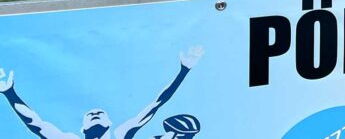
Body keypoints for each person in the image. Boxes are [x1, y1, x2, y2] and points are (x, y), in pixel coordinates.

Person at [0, 47, 203, 139]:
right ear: (82, 127)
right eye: (91, 115)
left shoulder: (123, 134)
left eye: (99, 114)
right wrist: (9, 93)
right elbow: (36, 124)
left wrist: (184, 70)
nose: (95, 113)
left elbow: (156, 105)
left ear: (109, 123)